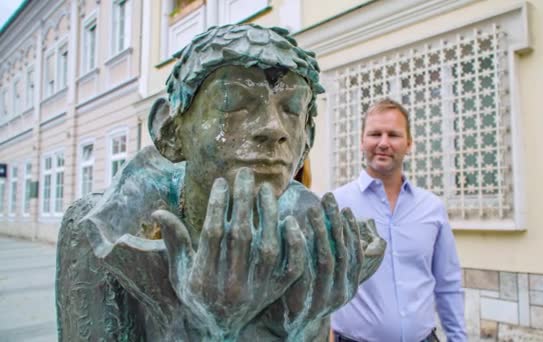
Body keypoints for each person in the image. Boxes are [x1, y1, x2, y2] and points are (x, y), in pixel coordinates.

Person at [55, 24, 385, 341]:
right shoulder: (94, 230)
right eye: (234, 103)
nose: (274, 127)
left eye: (292, 109)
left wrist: (296, 324)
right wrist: (205, 327)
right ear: (170, 131)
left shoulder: (311, 236)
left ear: (307, 140)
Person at [331, 98, 467, 342]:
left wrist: (458, 338)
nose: (383, 143)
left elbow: (448, 285)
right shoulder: (337, 205)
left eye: (393, 135)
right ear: (362, 141)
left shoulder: (432, 208)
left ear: (409, 143)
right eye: (375, 134)